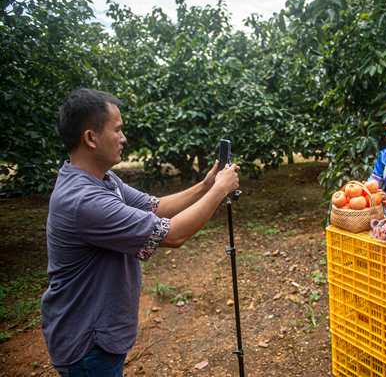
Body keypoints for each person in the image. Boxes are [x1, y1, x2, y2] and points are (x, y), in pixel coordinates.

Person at [41, 88, 240, 376]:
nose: (123, 138)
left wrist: (206, 185)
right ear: (90, 138)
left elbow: (156, 207)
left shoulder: (104, 180)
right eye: (118, 130)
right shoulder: (83, 200)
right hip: (87, 345)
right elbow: (172, 235)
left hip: (98, 337)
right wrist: (221, 190)